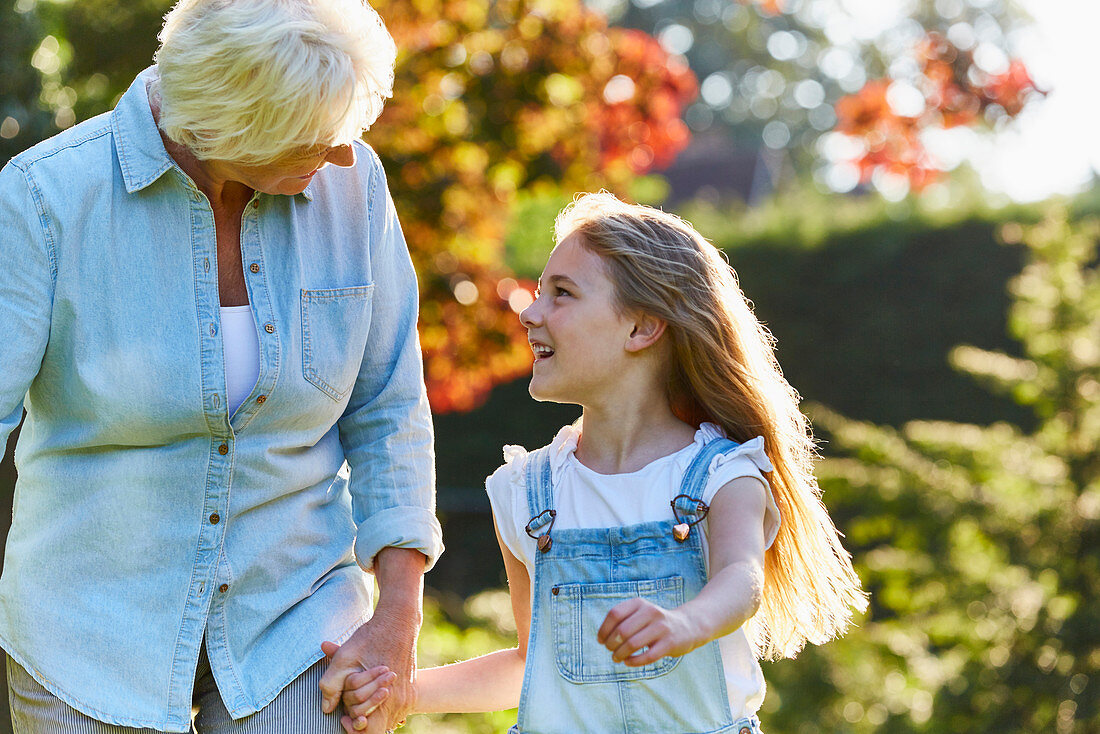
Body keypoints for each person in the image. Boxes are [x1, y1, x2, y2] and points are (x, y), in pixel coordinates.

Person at [0, 1, 440, 732]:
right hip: (89, 628)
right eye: (312, 136)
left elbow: (389, 404)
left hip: (296, 615)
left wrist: (397, 615)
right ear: (227, 123)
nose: (336, 156)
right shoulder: (46, 198)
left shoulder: (353, 183)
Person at [338, 192, 869, 732]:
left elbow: (742, 581)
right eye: (540, 292)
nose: (529, 312)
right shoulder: (526, 493)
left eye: (562, 293)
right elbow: (530, 663)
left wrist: (687, 623)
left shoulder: (723, 476)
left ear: (641, 328)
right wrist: (402, 692)